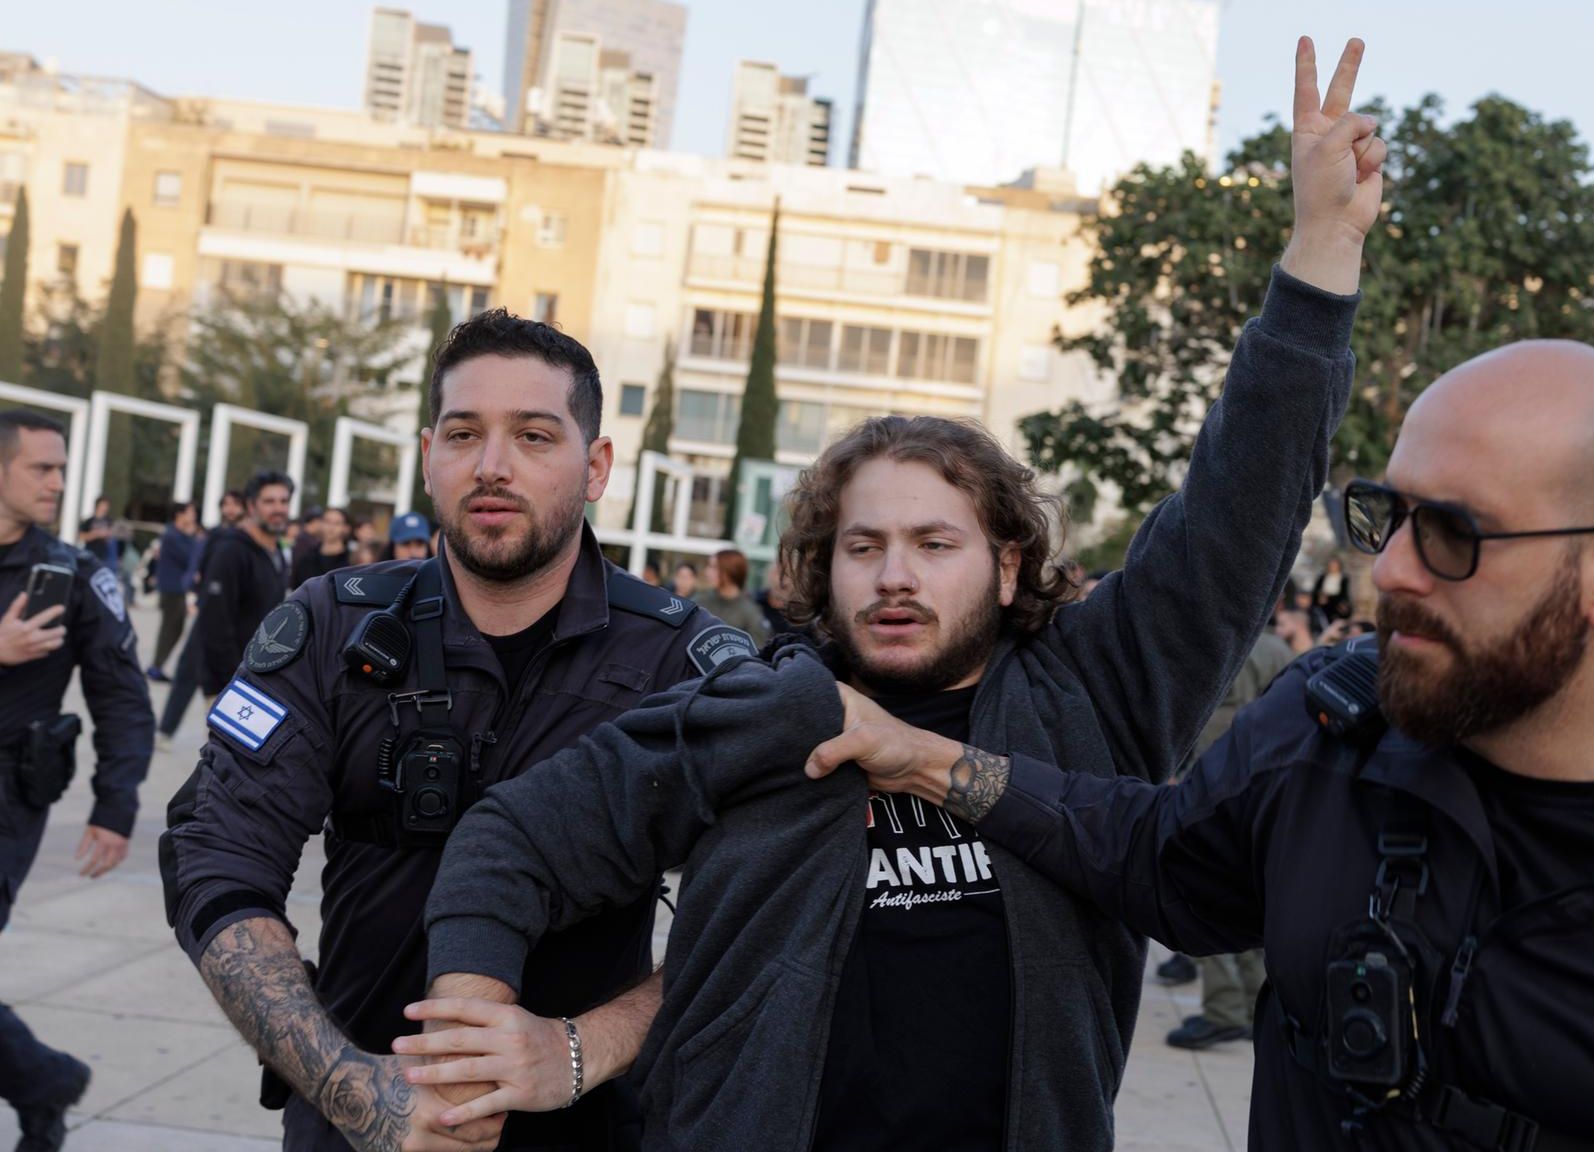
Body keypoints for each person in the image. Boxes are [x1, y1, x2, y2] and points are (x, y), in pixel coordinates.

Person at [411, 37, 1374, 1149]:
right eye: (862, 547)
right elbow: (515, 840)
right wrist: (484, 1030)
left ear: (1007, 561)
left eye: (933, 542)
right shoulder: (765, 714)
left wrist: (1317, 253)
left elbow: (1237, 510)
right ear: (823, 567)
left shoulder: (1100, 689)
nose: (896, 576)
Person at [818, 342, 1594, 1146]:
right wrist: (917, 756)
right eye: (1382, 516)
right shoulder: (1325, 735)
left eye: (1450, 532)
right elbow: (1155, 860)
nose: (1389, 570)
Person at [160, 310, 749, 1151]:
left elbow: (762, 909)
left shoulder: (683, 662)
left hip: (590, 1124)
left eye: (536, 436)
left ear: (597, 467)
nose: (493, 466)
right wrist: (347, 1083)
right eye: (465, 434)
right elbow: (215, 853)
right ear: (430, 456)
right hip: (358, 1121)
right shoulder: (329, 626)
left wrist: (581, 1050)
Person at [0, 410, 153, 1151]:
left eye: (61, 467)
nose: (59, 482)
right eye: (41, 468)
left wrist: (115, 805)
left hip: (5, 798)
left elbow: (122, 697)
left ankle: (43, 1082)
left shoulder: (74, 574)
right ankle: (43, 1080)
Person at [1166, 623, 1295, 1052]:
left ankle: (1224, 1010)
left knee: (1211, 899)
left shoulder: (1218, 642)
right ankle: (1257, 1002)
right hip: (1268, 788)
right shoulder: (1280, 650)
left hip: (1216, 787)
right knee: (1257, 904)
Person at [192, 471, 294, 699]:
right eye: (269, 501)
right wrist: (236, 681)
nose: (278, 508)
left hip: (262, 682)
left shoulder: (277, 552)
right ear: (251, 506)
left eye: (284, 501)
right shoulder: (231, 551)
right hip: (230, 685)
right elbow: (214, 625)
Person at [156, 491, 247, 744]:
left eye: (235, 504)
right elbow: (196, 567)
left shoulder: (250, 540)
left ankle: (231, 739)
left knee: (233, 678)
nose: (229, 509)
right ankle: (165, 730)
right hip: (209, 613)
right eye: (225, 504)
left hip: (239, 620)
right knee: (188, 670)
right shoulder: (215, 535)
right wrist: (194, 592)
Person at [147, 501, 202, 681]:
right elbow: (190, 556)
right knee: (169, 628)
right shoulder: (172, 535)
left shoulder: (179, 535)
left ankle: (157, 666)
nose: (193, 515)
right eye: (190, 512)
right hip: (172, 588)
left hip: (177, 588)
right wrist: (194, 535)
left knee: (175, 628)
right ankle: (155, 667)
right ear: (179, 515)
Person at [697, 547, 770, 646]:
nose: (707, 572)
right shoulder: (701, 602)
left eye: (714, 567)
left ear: (730, 571)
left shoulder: (750, 612)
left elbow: (757, 651)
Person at [287, 505, 353, 592]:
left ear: (346, 528)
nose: (331, 527)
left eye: (337, 523)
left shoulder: (352, 561)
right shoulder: (306, 559)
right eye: (327, 522)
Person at [1309, 555, 1351, 622]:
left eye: (1335, 565)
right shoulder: (1322, 577)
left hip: (1336, 601)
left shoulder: (1343, 578)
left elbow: (1345, 593)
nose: (1333, 567)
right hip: (1323, 601)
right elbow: (1316, 589)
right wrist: (1320, 595)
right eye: (1331, 565)